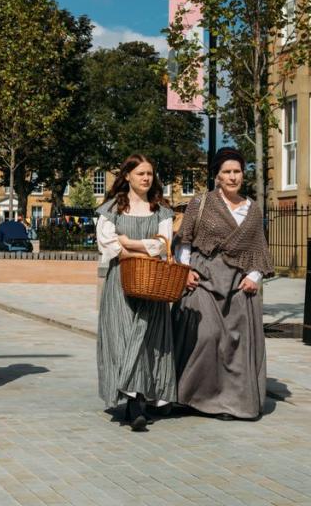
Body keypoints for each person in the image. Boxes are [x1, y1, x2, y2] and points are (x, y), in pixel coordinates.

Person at [172, 147, 273, 421]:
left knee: (234, 342)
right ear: (216, 176)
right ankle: (191, 396)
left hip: (238, 283)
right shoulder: (200, 203)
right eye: (226, 172)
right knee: (207, 335)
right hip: (203, 277)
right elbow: (184, 241)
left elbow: (259, 251)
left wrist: (254, 278)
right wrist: (185, 269)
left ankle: (229, 403)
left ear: (243, 174)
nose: (232, 177)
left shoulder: (252, 210)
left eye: (237, 171)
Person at [95, 154, 176, 431]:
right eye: (140, 173)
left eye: (149, 174)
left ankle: (139, 400)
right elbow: (107, 243)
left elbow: (162, 246)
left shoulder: (161, 210)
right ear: (127, 175)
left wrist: (129, 243)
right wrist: (134, 246)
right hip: (120, 282)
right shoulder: (111, 209)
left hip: (152, 282)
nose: (145, 178)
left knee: (147, 340)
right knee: (121, 337)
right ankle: (131, 402)